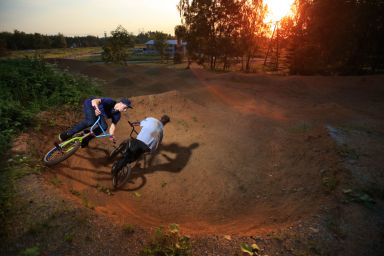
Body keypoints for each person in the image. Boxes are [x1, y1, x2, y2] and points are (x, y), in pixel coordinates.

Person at [59, 97, 133, 147]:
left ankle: (85, 139)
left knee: (104, 127)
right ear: (121, 103)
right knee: (90, 121)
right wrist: (96, 108)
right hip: (91, 105)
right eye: (125, 107)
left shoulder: (117, 115)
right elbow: (95, 101)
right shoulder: (111, 101)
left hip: (99, 113)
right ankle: (67, 134)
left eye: (126, 109)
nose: (125, 110)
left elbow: (113, 126)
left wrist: (111, 136)